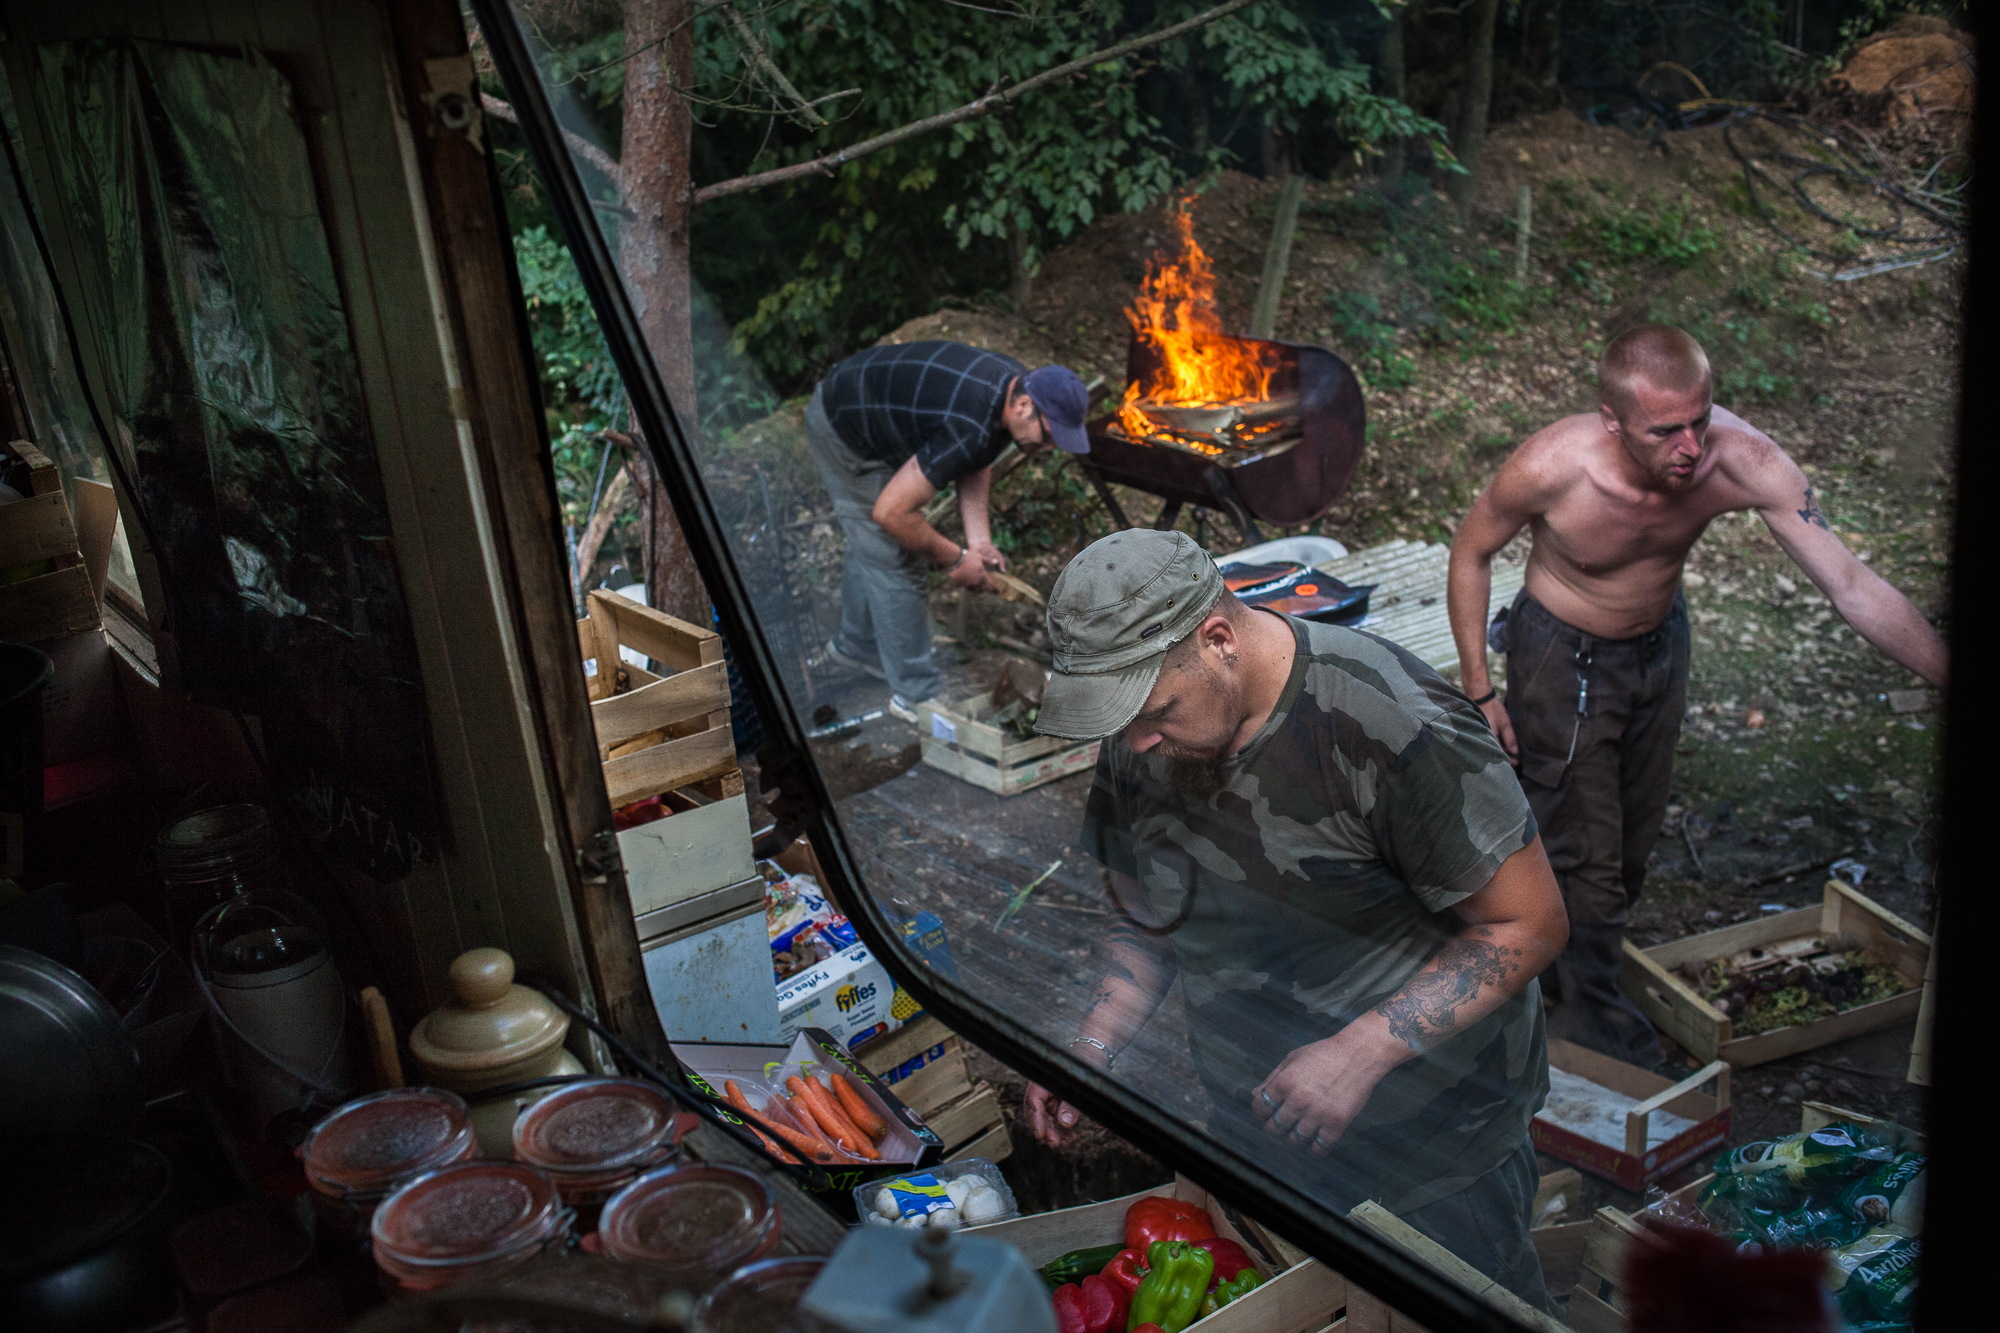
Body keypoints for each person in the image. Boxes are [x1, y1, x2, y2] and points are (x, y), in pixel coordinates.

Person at [1022, 529, 1570, 1307]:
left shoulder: (1387, 720)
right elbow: (1145, 915)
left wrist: (1360, 1049)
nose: (1137, 741)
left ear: (1218, 640)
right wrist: (1091, 1044)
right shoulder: (1142, 738)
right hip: (1256, 1132)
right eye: (1122, 722)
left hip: (1434, 1151)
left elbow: (1531, 924)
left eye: (1154, 712)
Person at [1446, 324, 1948, 1068]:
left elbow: (1850, 583)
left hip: (1659, 647)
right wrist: (1480, 687)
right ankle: (1593, 1018)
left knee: (1635, 840)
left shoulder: (1743, 460)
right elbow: (1471, 551)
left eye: (1700, 420)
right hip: (1561, 652)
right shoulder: (1554, 466)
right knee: (1586, 848)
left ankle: (1561, 955)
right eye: (1665, 430)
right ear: (1613, 421)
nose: (1690, 446)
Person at [805, 340, 1091, 720]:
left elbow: (976, 458)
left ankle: (853, 648)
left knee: (871, 544)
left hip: (883, 418)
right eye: (1051, 435)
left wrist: (980, 542)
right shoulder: (969, 421)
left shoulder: (1012, 390)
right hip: (843, 424)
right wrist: (955, 560)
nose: (1052, 447)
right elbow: (891, 514)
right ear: (1024, 407)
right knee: (894, 554)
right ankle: (916, 697)